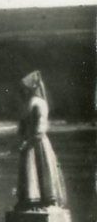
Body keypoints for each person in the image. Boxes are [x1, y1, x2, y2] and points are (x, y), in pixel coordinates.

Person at [15, 71, 67, 211]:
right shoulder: (29, 103)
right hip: (29, 141)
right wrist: (22, 137)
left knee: (40, 169)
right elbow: (24, 124)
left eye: (25, 88)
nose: (22, 91)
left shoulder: (39, 103)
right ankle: (30, 201)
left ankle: (43, 201)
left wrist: (29, 141)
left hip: (37, 143)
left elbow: (40, 127)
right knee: (29, 170)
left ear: (31, 87)